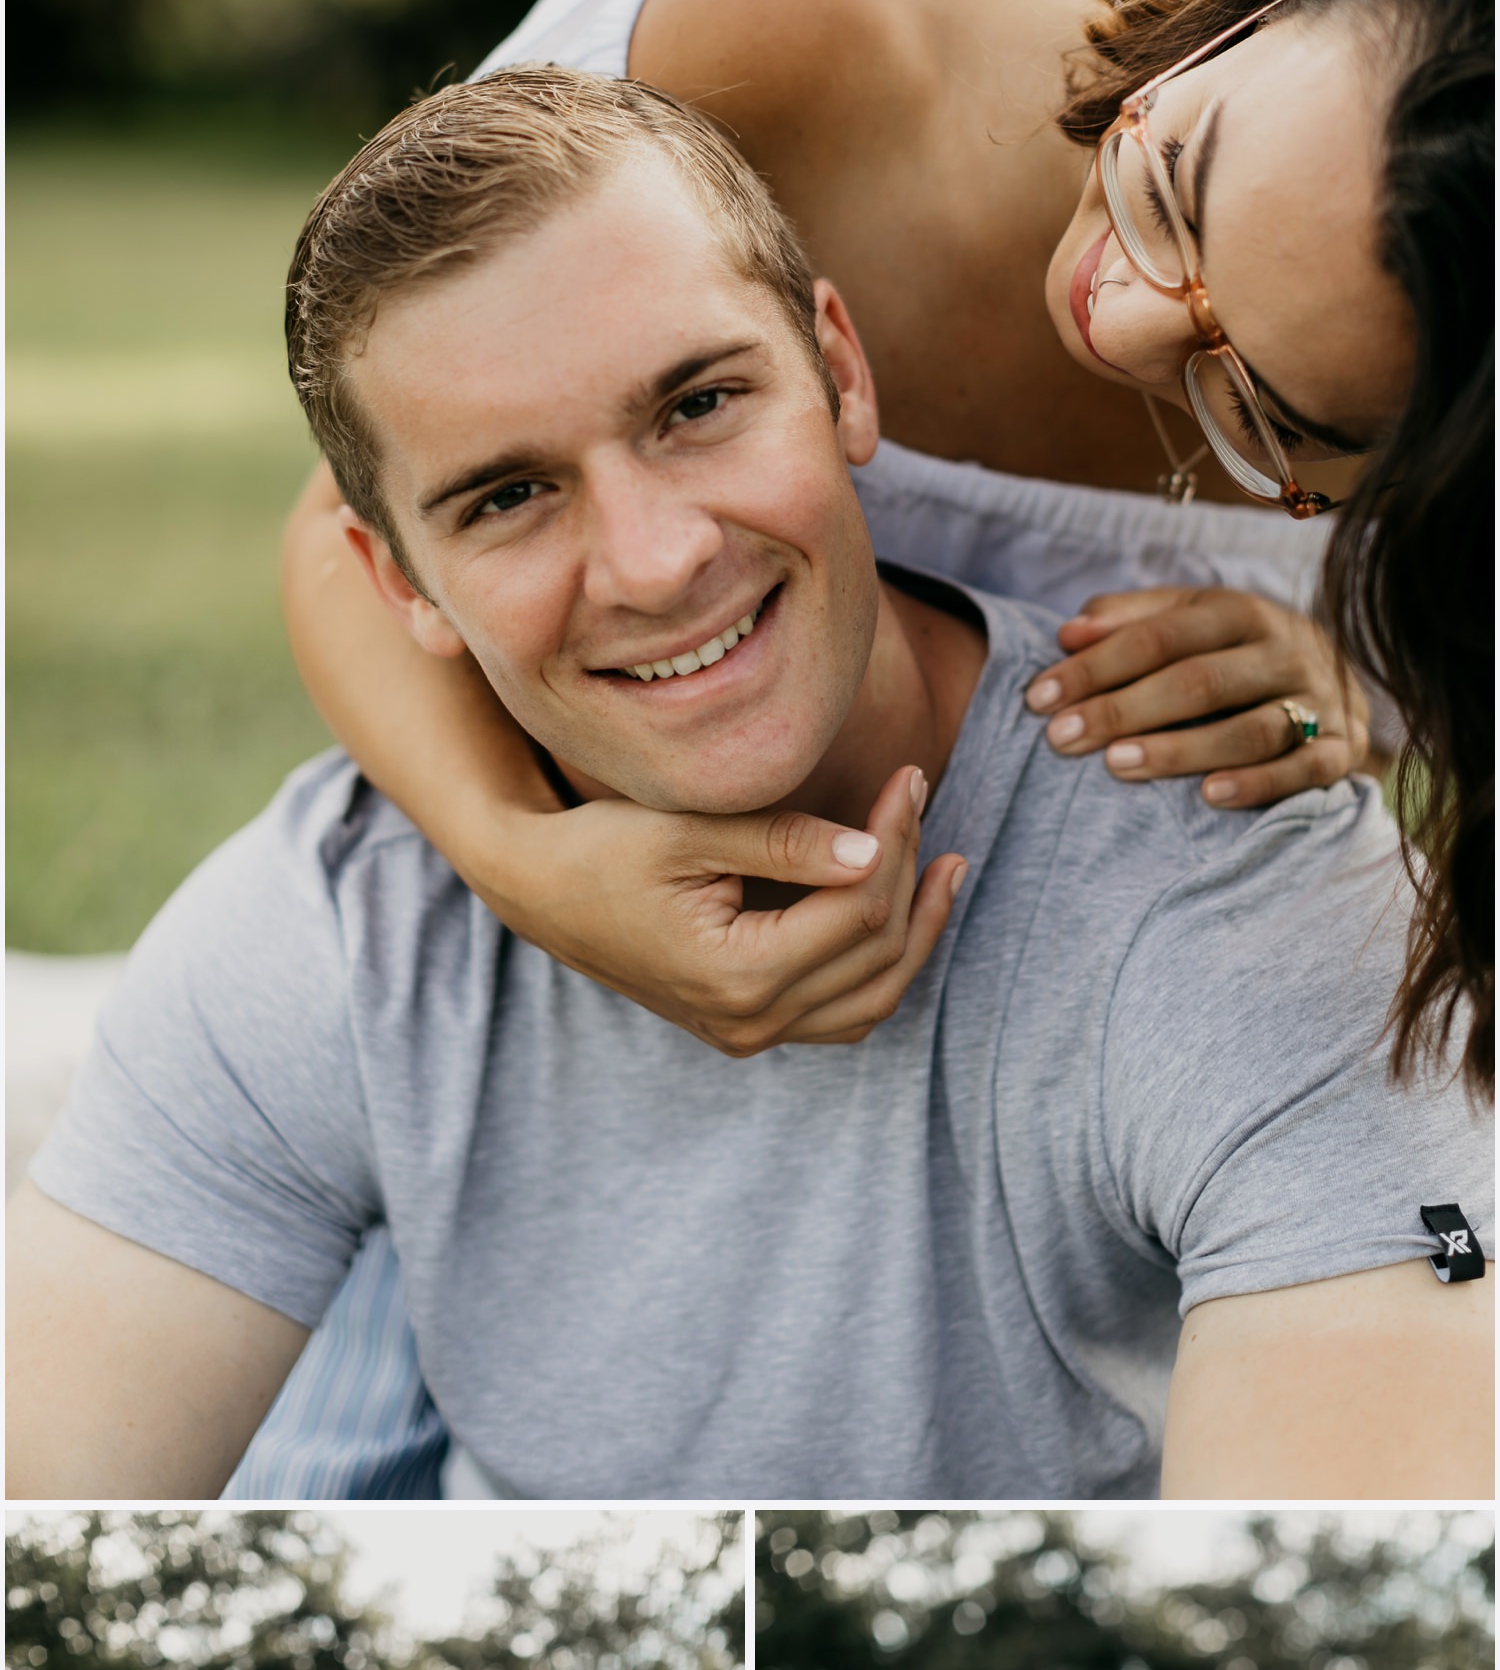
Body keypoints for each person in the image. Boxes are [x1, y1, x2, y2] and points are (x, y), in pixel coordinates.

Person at [9, 78, 1491, 1513]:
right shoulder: (344, 913)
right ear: (404, 583)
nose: (656, 563)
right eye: (509, 494)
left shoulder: (1246, 903)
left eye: (701, 403)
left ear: (841, 372)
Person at [279, 0, 1494, 1102]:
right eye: (1172, 185)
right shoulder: (784, 43)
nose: (1117, 323)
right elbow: (356, 526)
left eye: (1265, 410)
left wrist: (1340, 708)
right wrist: (522, 866)